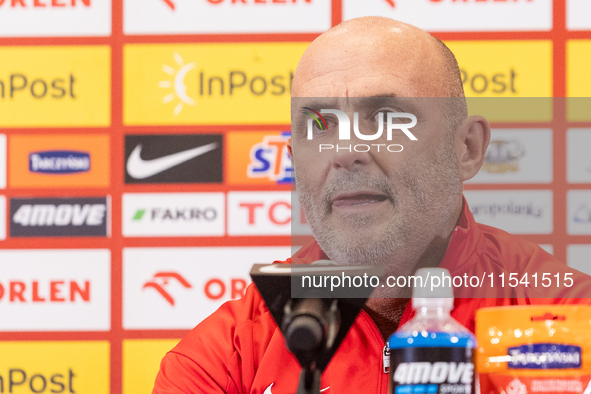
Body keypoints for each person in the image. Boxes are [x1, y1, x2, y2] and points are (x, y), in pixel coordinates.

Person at [152, 17, 590, 394]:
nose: (345, 151)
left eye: (385, 118)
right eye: (320, 124)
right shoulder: (226, 354)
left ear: (468, 149)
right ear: (294, 163)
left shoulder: (569, 315)